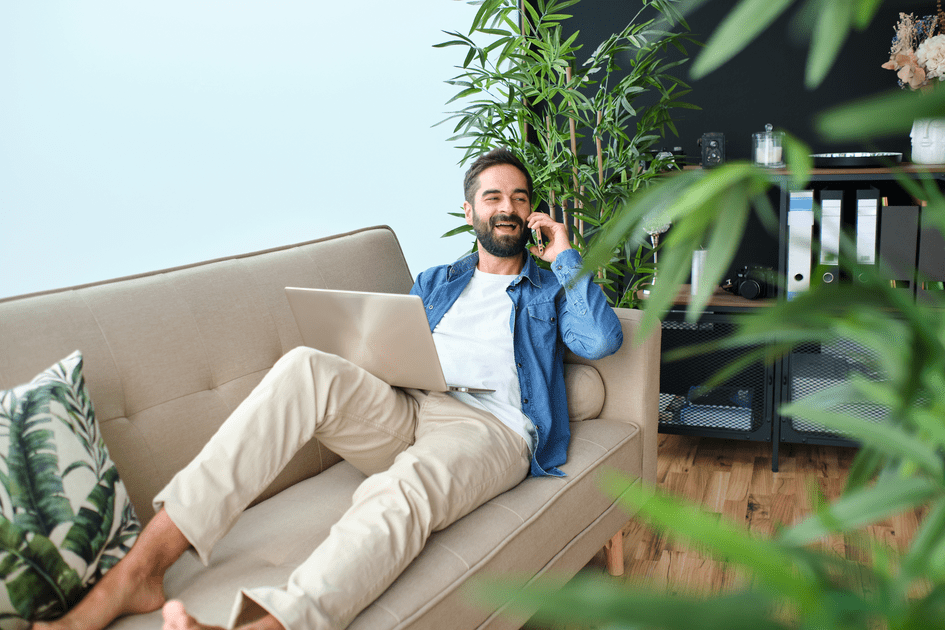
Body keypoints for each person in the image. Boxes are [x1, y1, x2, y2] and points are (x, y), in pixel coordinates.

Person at [38, 148, 623, 630]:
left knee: (405, 487)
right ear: (468, 210)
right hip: (412, 405)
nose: (508, 209)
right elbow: (394, 348)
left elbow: (599, 339)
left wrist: (566, 252)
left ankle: (273, 626)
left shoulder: (546, 290)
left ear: (531, 214)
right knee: (305, 367)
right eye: (493, 197)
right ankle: (139, 569)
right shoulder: (436, 281)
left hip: (490, 427)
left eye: (520, 199)